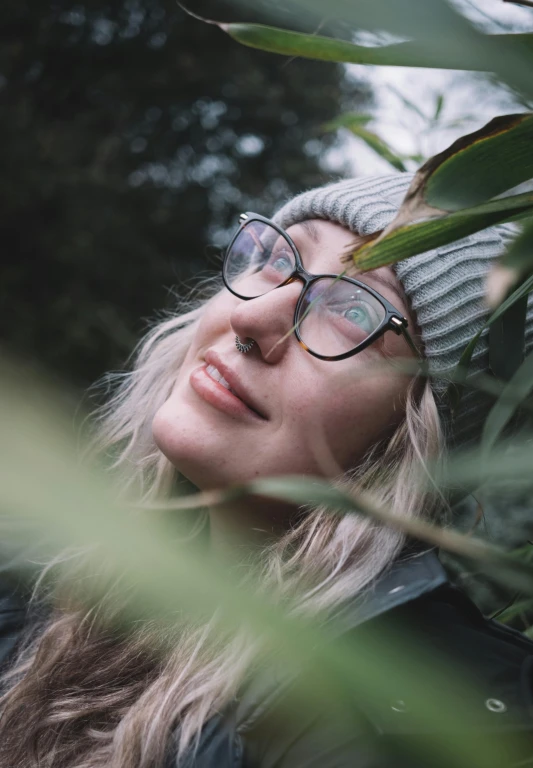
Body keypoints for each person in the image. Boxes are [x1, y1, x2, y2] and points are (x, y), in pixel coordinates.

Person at [1, 173, 533, 768]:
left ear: (423, 431)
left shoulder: (412, 732)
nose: (254, 318)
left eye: (354, 309)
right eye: (281, 259)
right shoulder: (41, 576)